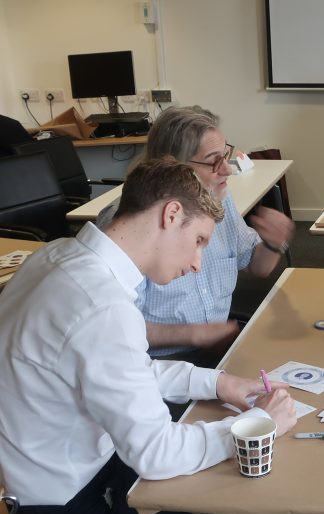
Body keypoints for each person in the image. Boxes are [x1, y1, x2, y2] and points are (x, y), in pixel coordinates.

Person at [0, 158, 298, 514]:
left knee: (217, 467)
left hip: (57, 485)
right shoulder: (101, 306)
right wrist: (256, 425)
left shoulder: (58, 256)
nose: (199, 262)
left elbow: (127, 370)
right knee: (247, 507)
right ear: (171, 214)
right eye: (199, 240)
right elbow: (156, 455)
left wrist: (219, 383)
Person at [98, 105, 295, 366]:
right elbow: (114, 329)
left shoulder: (218, 198)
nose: (228, 170)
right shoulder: (129, 225)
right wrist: (195, 335)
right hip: (156, 362)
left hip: (217, 349)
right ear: (175, 166)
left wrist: (273, 242)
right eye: (214, 161)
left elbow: (256, 266)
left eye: (226, 155)